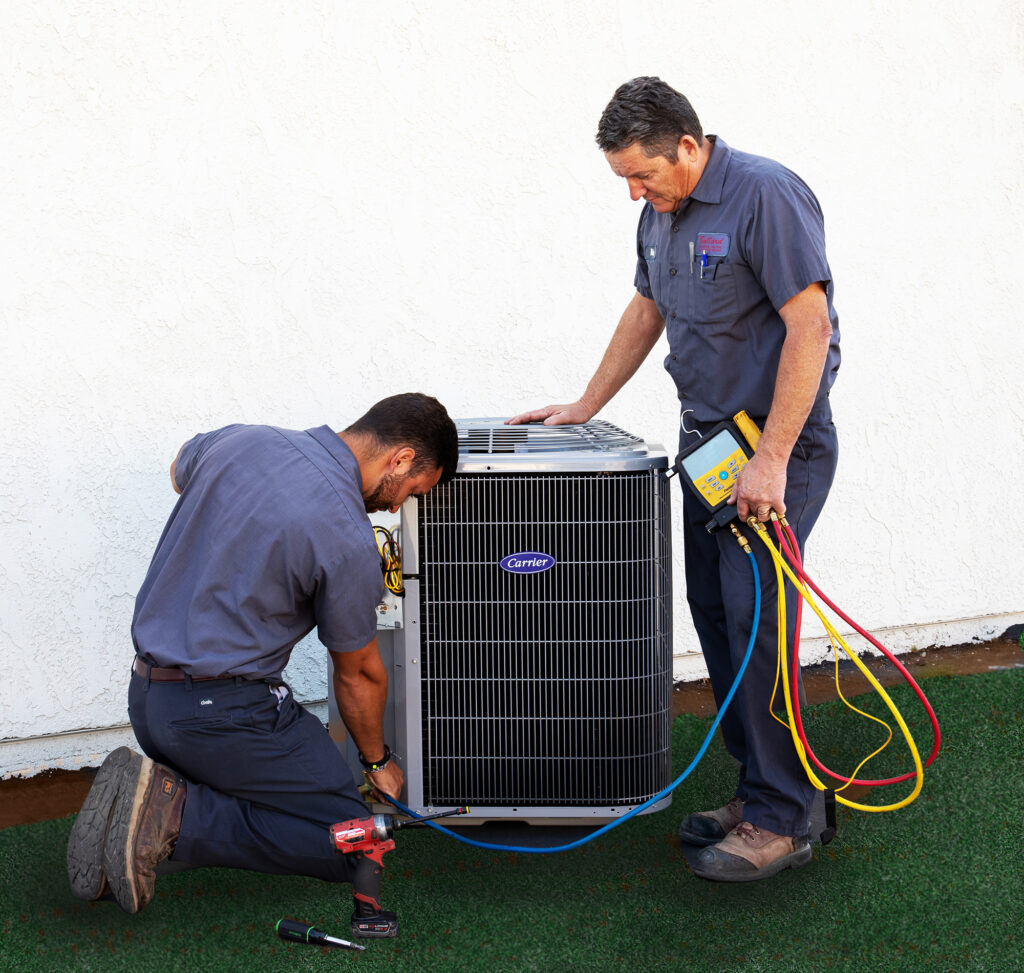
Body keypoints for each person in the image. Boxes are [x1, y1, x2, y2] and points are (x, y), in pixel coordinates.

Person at [509, 77, 841, 882]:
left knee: (755, 623)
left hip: (773, 453)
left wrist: (769, 461)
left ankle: (783, 818)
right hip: (707, 453)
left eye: (644, 174)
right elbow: (645, 309)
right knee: (717, 618)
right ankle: (771, 785)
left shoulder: (765, 195)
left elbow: (810, 325)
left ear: (688, 145)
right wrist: (587, 401)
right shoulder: (658, 217)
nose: (634, 191)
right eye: (623, 177)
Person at [67, 392, 458, 936]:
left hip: (148, 700)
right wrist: (377, 762)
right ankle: (174, 814)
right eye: (411, 490)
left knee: (287, 782)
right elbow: (358, 672)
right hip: (224, 715)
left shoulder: (243, 441)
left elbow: (182, 465)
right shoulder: (346, 538)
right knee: (357, 836)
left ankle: (137, 813)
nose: (396, 508)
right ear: (400, 459)